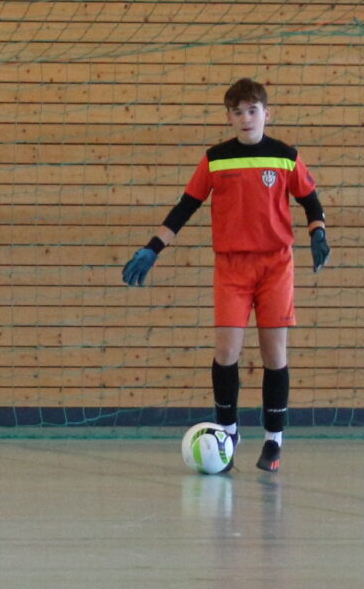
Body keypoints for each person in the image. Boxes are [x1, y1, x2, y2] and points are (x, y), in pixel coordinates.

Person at [122, 77, 329, 470]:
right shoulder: (216, 159)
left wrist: (318, 232)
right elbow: (185, 206)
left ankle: (274, 440)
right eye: (238, 112)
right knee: (226, 352)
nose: (246, 118)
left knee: (274, 354)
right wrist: (153, 247)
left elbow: (311, 201)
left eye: (253, 110)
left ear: (267, 114)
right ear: (229, 118)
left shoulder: (286, 157)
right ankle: (228, 432)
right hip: (232, 267)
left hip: (276, 265)